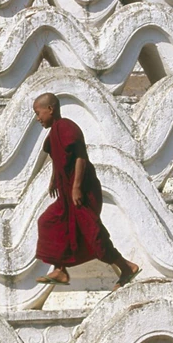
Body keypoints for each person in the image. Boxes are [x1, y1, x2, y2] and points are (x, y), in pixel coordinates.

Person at [32, 93, 141, 290]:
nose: (38, 118)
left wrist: (76, 187)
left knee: (92, 233)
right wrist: (54, 180)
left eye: (38, 113)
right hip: (66, 193)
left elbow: (80, 156)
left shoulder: (66, 127)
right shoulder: (54, 132)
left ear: (50, 109)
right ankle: (60, 270)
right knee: (50, 222)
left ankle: (127, 267)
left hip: (82, 190)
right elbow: (58, 158)